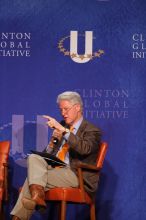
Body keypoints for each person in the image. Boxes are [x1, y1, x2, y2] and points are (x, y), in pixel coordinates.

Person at [11, 91, 101, 220]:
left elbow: (84, 149)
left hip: (76, 174)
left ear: (78, 107)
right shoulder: (63, 126)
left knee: (32, 180)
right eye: (61, 110)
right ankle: (37, 196)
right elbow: (47, 156)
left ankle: (23, 211)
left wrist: (64, 132)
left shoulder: (92, 130)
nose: (63, 113)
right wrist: (53, 143)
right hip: (55, 168)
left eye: (66, 109)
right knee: (34, 158)